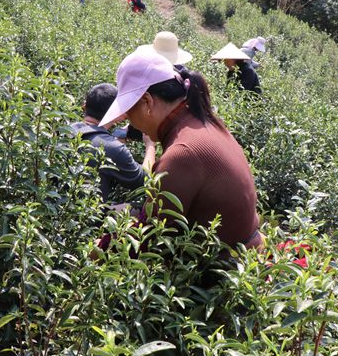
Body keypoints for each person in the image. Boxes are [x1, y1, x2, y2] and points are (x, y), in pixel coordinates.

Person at [98, 50, 264, 249]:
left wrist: (97, 249)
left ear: (147, 103)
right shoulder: (200, 122)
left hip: (224, 270)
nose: (129, 121)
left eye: (128, 112)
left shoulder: (182, 154)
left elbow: (149, 241)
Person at [71, 83, 155, 203]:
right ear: (116, 113)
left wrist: (115, 140)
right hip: (88, 220)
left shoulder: (64, 132)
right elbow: (145, 181)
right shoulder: (113, 149)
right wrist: (150, 145)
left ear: (85, 105)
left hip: (56, 214)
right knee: (141, 207)